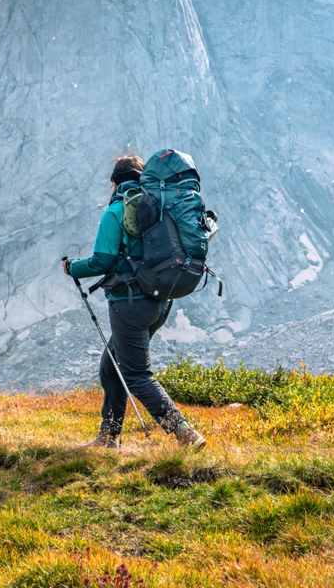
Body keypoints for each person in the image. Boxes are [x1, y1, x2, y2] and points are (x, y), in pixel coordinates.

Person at [63, 153, 206, 450]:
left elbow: (101, 260)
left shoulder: (116, 211)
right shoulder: (158, 206)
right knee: (110, 367)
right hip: (161, 301)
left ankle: (184, 432)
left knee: (136, 374)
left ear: (114, 181)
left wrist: (73, 267)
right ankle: (109, 437)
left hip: (130, 305)